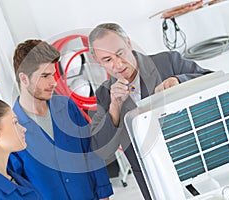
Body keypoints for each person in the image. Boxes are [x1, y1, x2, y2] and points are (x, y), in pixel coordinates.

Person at [88, 22, 212, 200]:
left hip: (196, 161)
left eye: (119, 53)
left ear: (128, 43)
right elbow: (102, 150)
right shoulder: (104, 94)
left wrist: (179, 81)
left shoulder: (168, 62)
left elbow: (211, 79)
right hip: (153, 178)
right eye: (107, 60)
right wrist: (114, 108)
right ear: (97, 61)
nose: (117, 64)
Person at [8, 39, 113, 200]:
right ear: (24, 78)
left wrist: (104, 194)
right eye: (44, 76)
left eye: (53, 74)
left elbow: (91, 151)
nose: (53, 82)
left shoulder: (67, 107)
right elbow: (19, 187)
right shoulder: (11, 129)